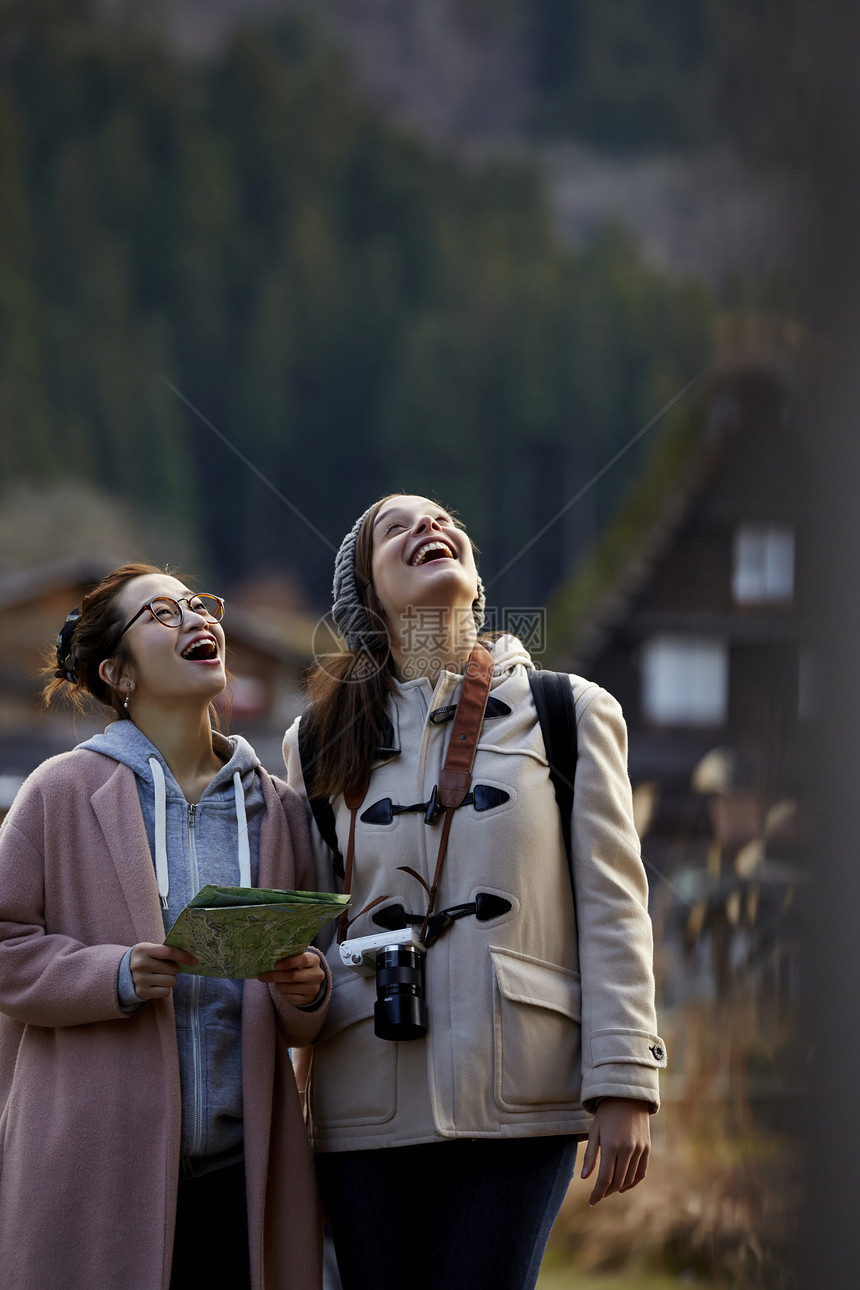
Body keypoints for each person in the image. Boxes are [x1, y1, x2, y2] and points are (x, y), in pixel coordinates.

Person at [283, 494, 668, 1290]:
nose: (432, 526)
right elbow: (311, 925)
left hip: (520, 1092)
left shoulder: (568, 711)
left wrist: (625, 1077)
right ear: (366, 595)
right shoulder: (315, 739)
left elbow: (614, 906)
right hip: (361, 1099)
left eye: (446, 518)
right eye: (398, 527)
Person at [0, 562, 331, 1290]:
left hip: (241, 1176)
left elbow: (310, 996)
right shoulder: (59, 791)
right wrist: (110, 975)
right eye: (162, 613)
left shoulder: (279, 810)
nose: (196, 619)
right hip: (90, 1172)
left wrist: (306, 987)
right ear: (118, 673)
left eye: (198, 605)